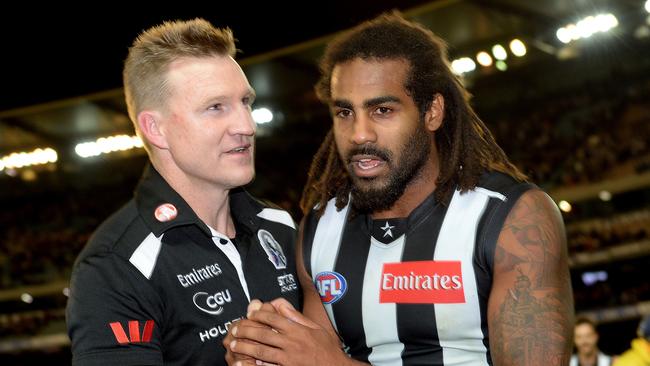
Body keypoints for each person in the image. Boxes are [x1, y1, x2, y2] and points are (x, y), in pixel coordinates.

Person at [225, 12, 574, 366]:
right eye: (345, 112)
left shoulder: (511, 219)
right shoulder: (319, 232)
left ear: (432, 112)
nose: (359, 134)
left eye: (382, 110)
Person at [65, 18, 301, 365]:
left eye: (245, 102)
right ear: (155, 129)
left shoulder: (280, 226)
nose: (246, 126)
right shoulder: (116, 266)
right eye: (215, 107)